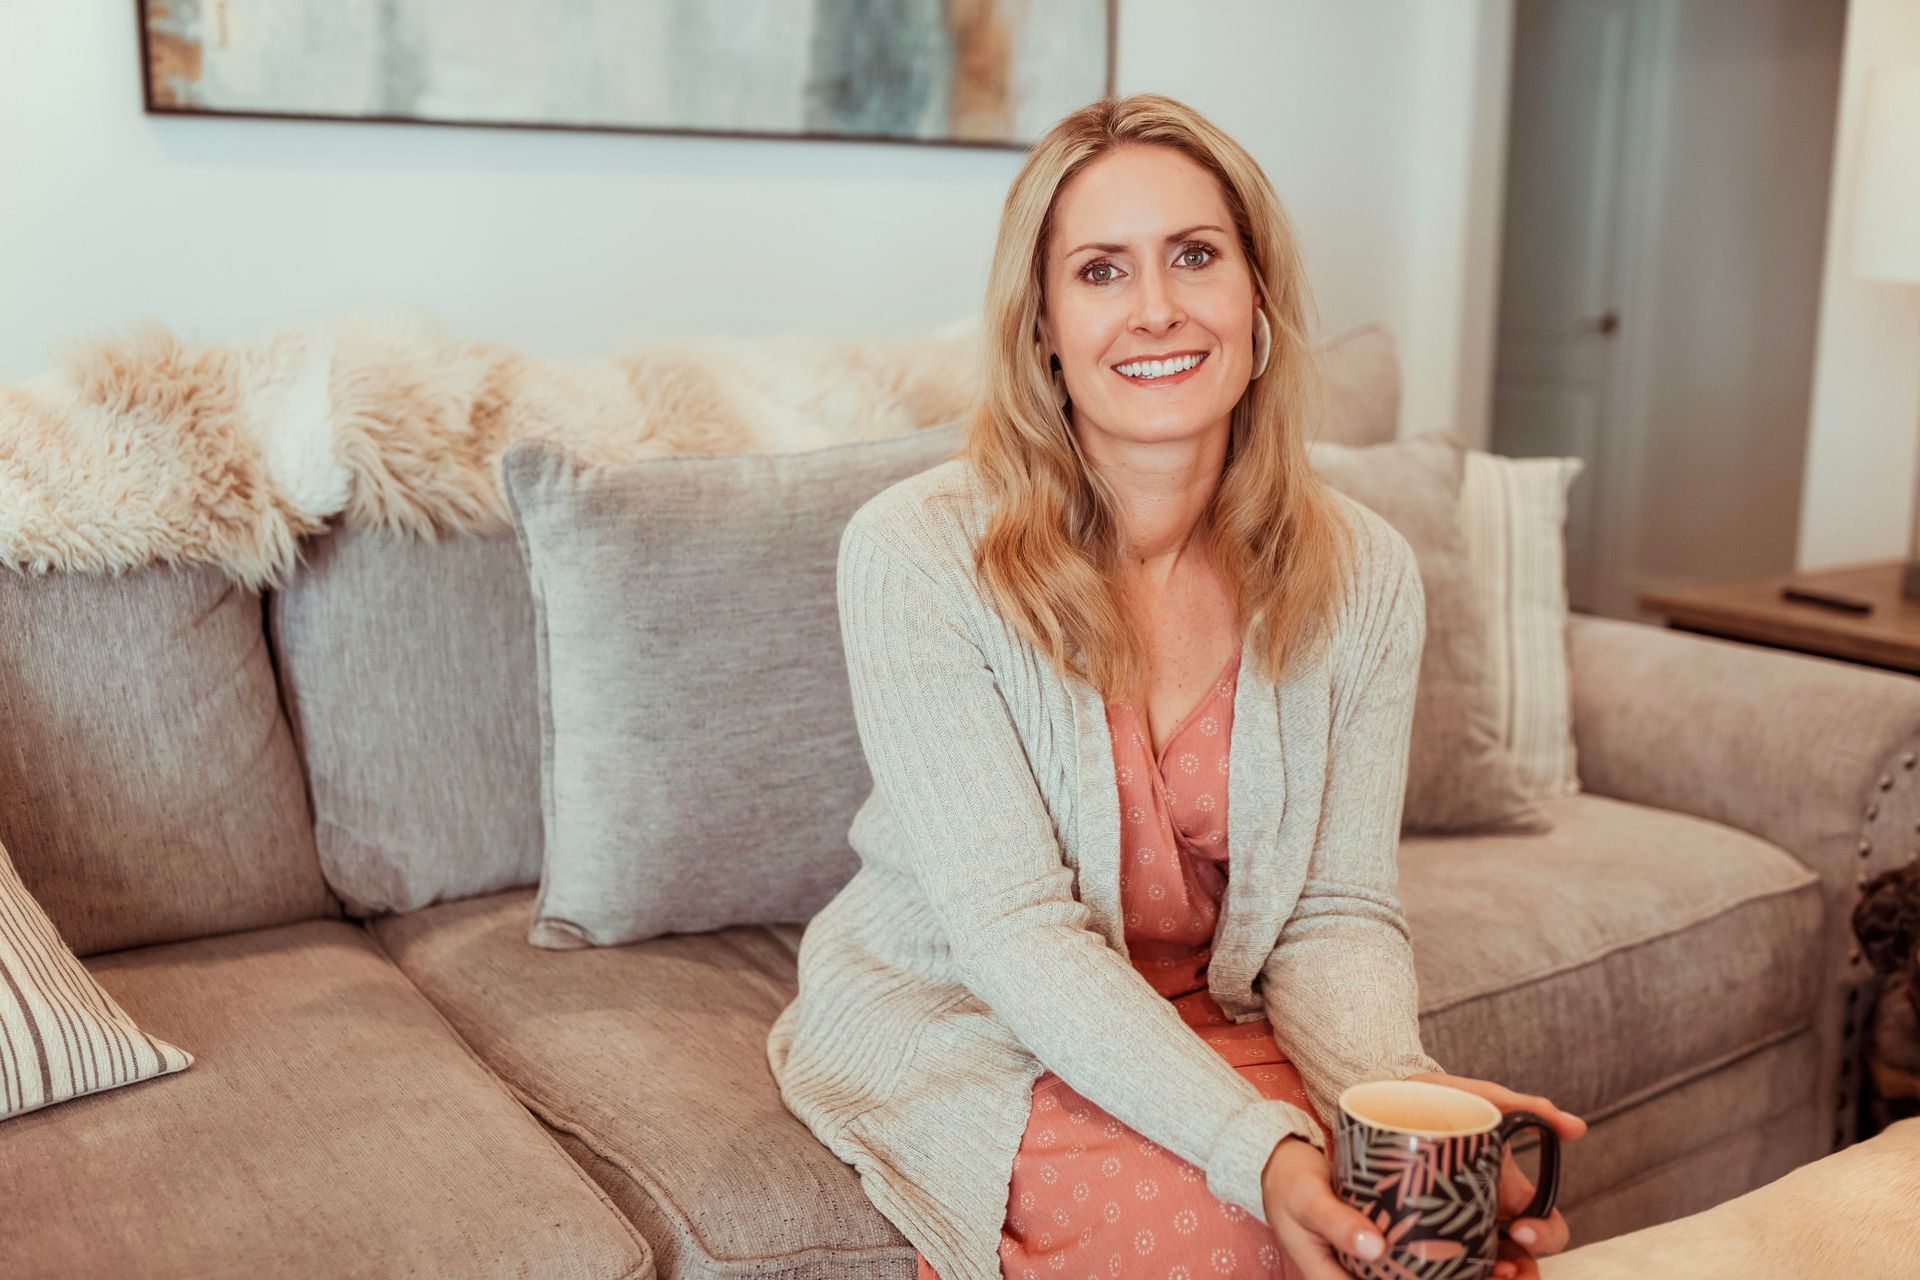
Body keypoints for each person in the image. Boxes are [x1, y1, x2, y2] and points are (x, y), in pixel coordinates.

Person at [766, 92, 1586, 1280]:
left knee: (1424, 1231)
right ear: (1043, 323)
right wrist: (1257, 1148)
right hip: (976, 1017)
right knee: (1243, 1230)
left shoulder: (1364, 575)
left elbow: (1333, 914)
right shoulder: (914, 553)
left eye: (1195, 256)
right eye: (1101, 271)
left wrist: (1395, 1103)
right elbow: (1012, 931)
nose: (1156, 307)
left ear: (1256, 295)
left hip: (1213, 1008)